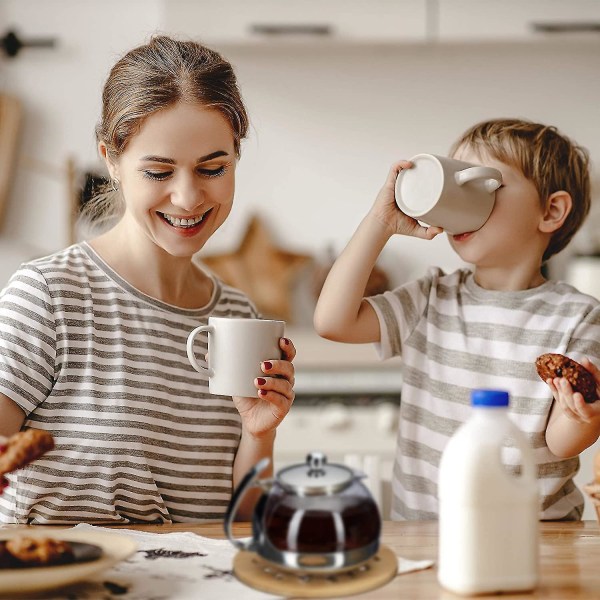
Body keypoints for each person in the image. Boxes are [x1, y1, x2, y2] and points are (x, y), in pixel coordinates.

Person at [0, 35, 296, 524]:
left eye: (213, 168)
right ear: (112, 161)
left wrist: (259, 432)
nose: (187, 197)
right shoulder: (50, 296)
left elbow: (240, 527)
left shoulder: (239, 319)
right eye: (159, 171)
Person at [314, 118, 600, 521]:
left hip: (534, 538)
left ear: (551, 211)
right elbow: (332, 321)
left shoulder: (578, 317)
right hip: (428, 534)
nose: (461, 203)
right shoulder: (431, 297)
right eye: (455, 183)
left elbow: (560, 442)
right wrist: (379, 224)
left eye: (484, 184)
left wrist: (579, 415)